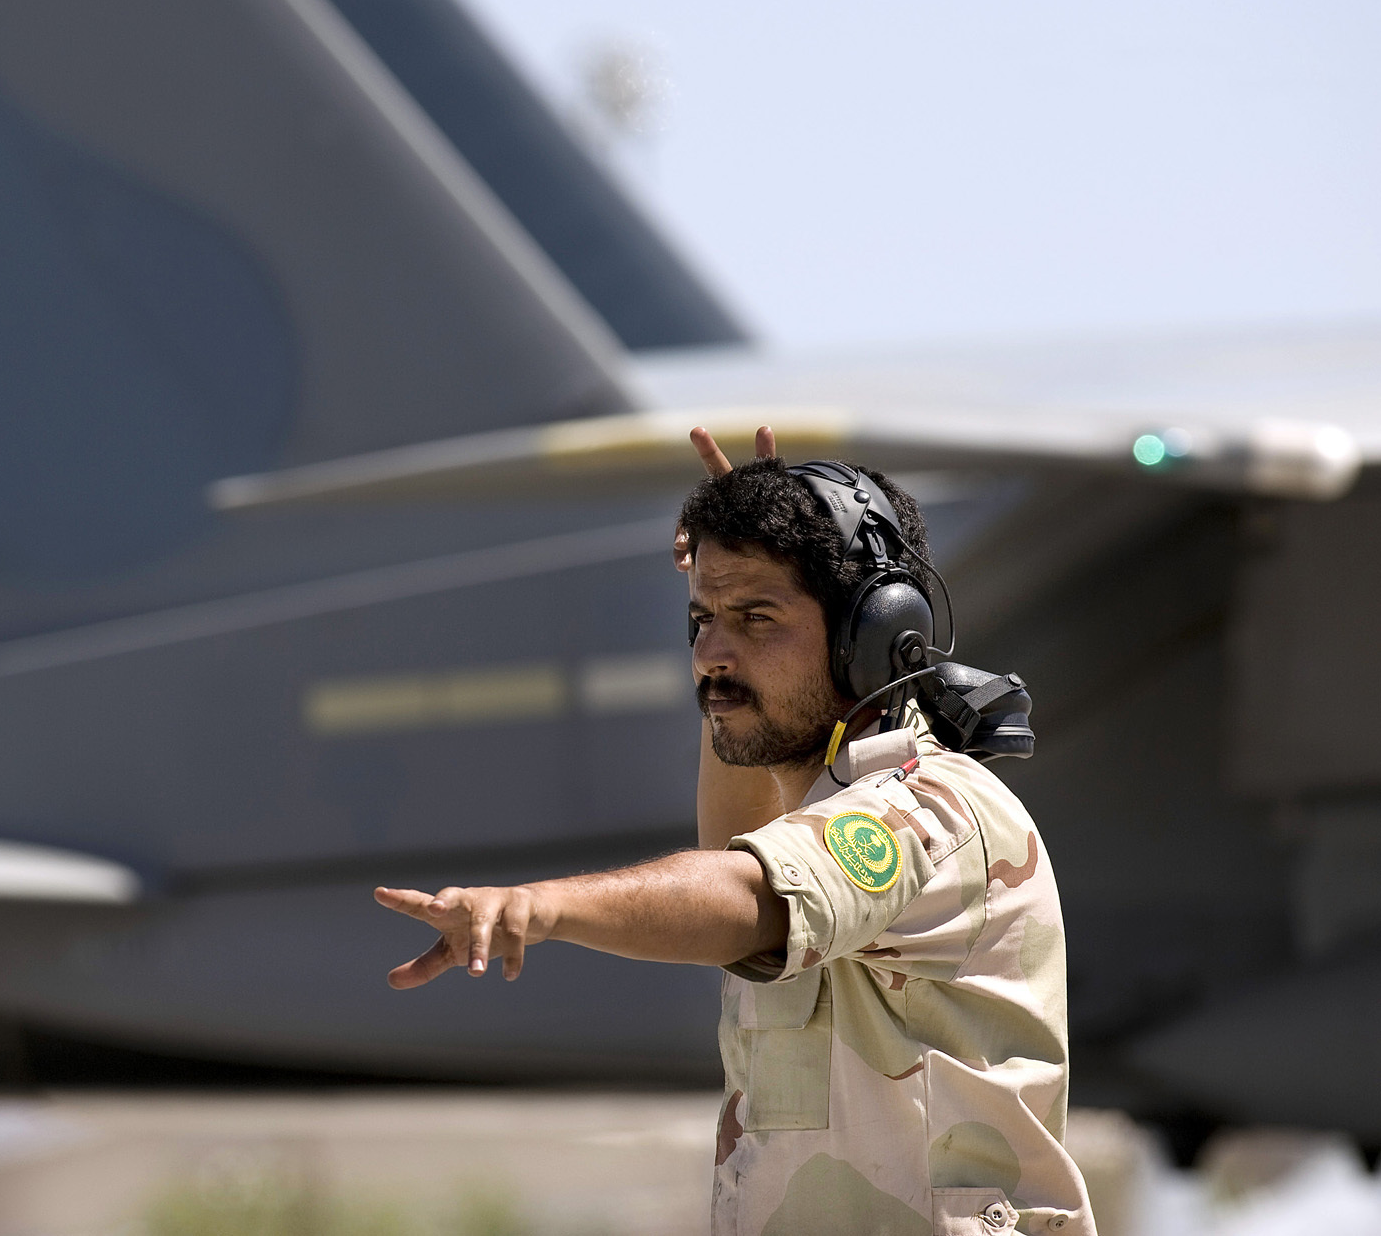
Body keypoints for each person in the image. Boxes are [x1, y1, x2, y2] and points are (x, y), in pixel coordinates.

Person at [374, 427, 1092, 1236]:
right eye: (701, 618)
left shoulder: (930, 809)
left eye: (757, 617)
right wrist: (728, 557)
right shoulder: (813, 813)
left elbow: (746, 892)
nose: (712, 653)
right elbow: (740, 854)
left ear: (872, 635)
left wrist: (539, 906)